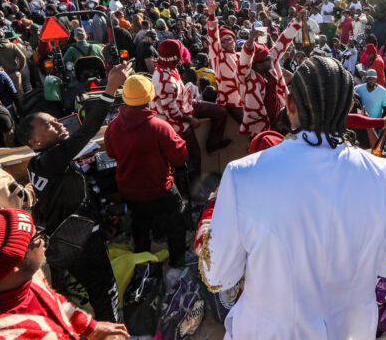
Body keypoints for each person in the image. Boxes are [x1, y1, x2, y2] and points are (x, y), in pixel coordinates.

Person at [198, 57, 386, 339]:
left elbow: (218, 276)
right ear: (348, 108)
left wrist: (213, 210)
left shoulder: (243, 175)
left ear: (290, 105)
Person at [16, 62, 132, 322]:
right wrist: (111, 88)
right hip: (80, 239)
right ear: (34, 142)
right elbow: (87, 131)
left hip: (64, 237)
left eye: (56, 121)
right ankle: (112, 333)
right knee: (104, 289)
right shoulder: (51, 159)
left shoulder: (40, 162)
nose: (58, 125)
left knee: (84, 285)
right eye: (49, 126)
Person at [0, 209, 129, 339]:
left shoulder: (25, 280)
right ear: (12, 266)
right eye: (34, 237)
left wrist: (90, 327)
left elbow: (53, 302)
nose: (42, 236)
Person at [105, 74, 190, 265]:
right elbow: (181, 157)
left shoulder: (113, 126)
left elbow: (111, 153)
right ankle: (178, 262)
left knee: (139, 225)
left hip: (129, 191)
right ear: (150, 97)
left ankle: (142, 264)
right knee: (176, 223)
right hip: (159, 189)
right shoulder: (160, 127)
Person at [152, 39, 229, 175]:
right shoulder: (165, 81)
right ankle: (195, 187)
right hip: (176, 121)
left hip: (186, 105)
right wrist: (190, 120)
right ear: (174, 56)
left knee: (220, 111)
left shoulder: (168, 67)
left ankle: (213, 144)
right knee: (195, 156)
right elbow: (172, 113)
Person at [237, 11, 301, 136]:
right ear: (257, 64)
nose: (271, 59)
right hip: (260, 124)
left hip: (281, 118)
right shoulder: (246, 76)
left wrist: (297, 21)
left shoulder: (269, 60)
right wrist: (250, 42)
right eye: (267, 59)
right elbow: (244, 61)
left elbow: (283, 41)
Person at [206, 0, 244, 124]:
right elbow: (213, 37)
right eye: (225, 40)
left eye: (231, 38)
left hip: (245, 100)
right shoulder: (218, 56)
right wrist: (212, 15)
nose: (230, 42)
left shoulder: (239, 55)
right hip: (230, 102)